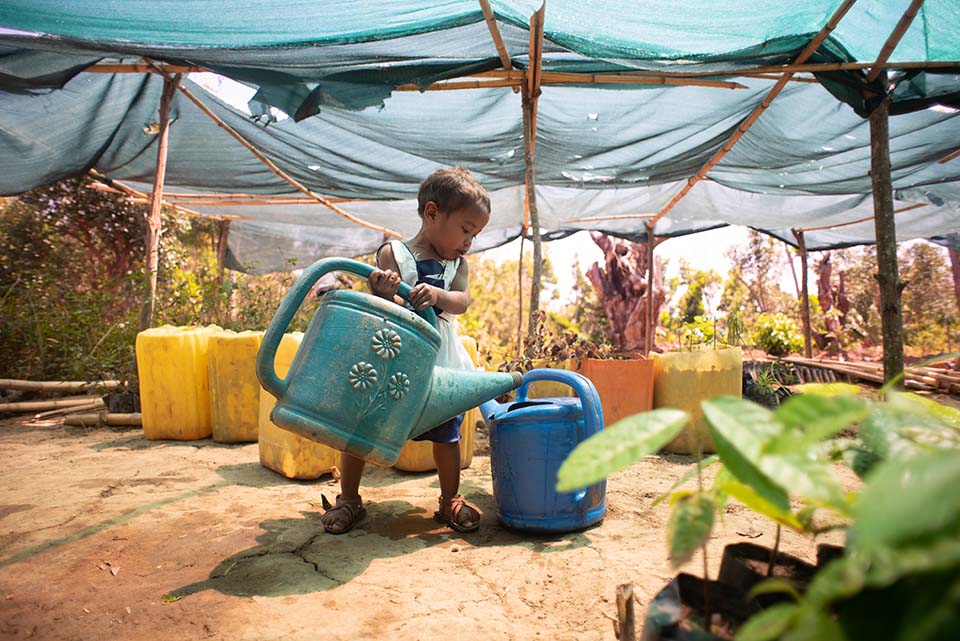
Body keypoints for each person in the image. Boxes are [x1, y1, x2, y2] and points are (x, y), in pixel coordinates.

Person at [320, 166, 491, 535]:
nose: (468, 242)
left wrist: (439, 295)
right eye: (465, 229)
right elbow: (384, 301)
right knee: (362, 425)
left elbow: (461, 301)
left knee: (447, 432)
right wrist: (382, 289)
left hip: (437, 364)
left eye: (474, 235)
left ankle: (449, 500)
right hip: (391, 356)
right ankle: (349, 498)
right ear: (432, 213)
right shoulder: (393, 253)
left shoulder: (458, 265)